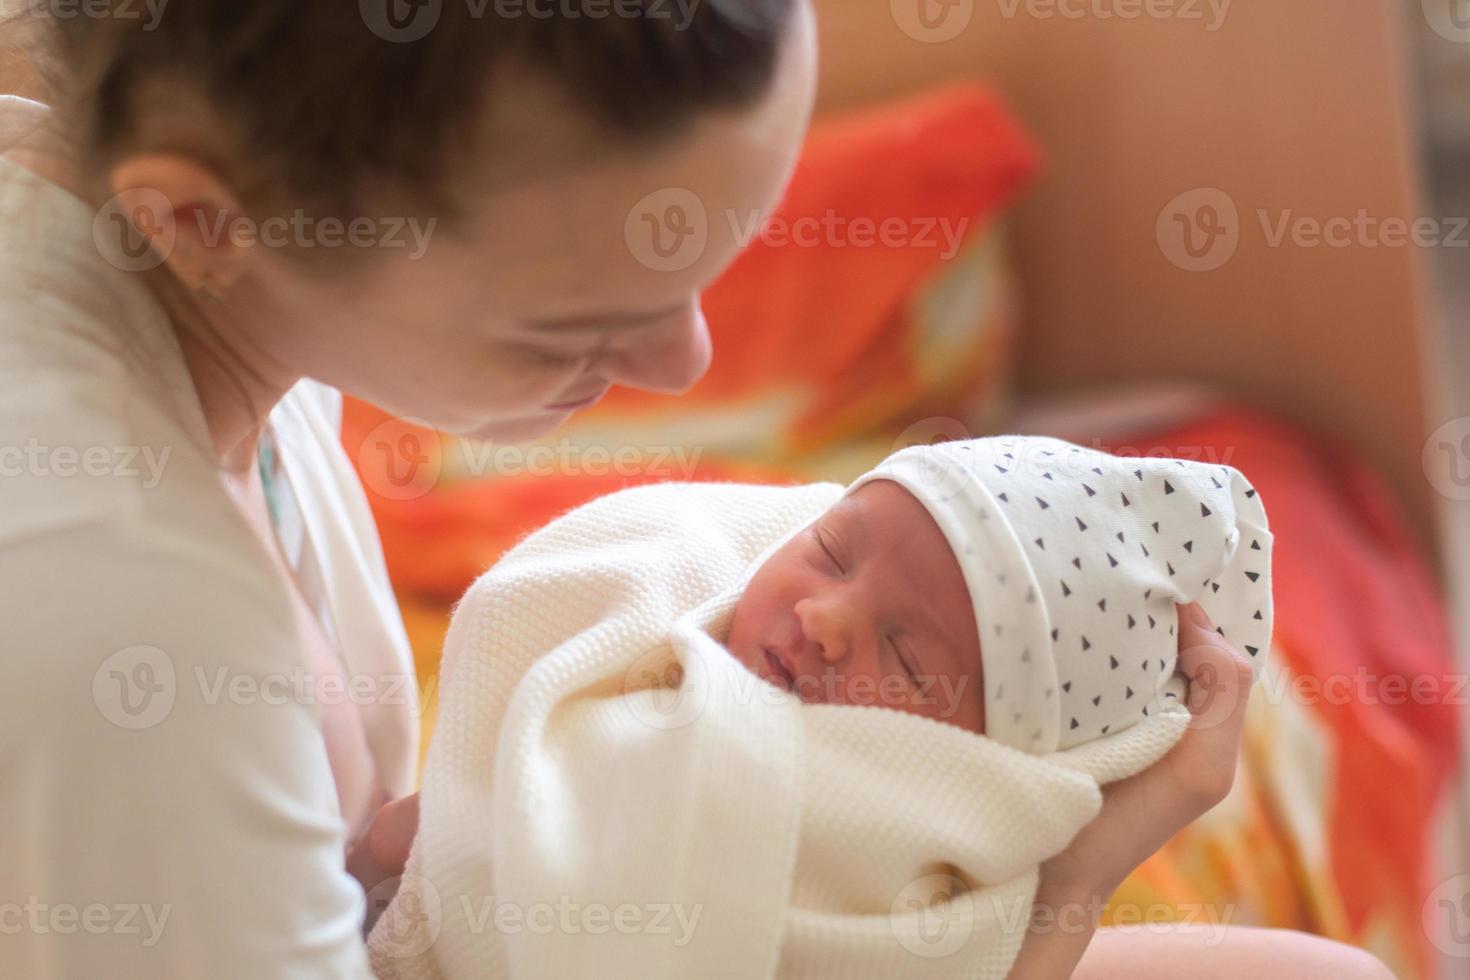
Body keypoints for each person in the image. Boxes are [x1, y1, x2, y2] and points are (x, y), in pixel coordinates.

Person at [0, 2, 1391, 977]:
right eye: (571, 320)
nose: (687, 363)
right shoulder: (126, 624)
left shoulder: (166, 240)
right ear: (204, 221)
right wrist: (1059, 901)